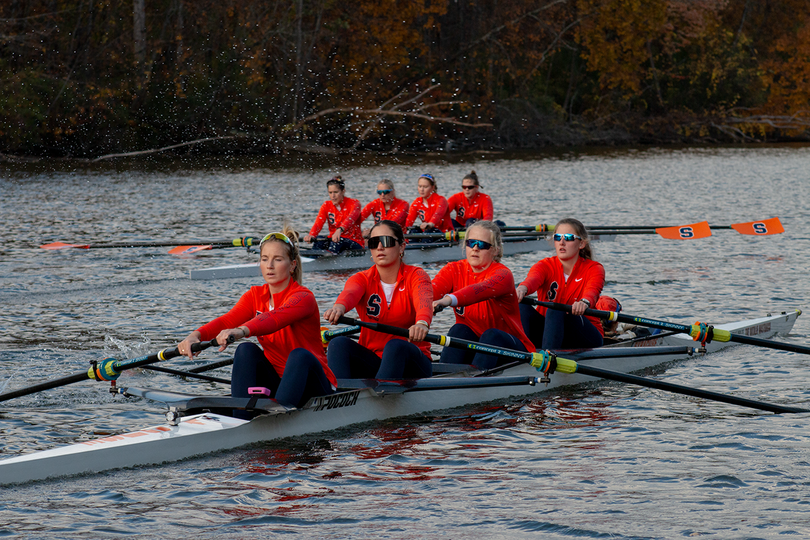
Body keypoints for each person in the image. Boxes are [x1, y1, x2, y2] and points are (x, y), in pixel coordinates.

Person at [177, 226, 336, 417]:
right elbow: (226, 320)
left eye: (277, 260)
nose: (270, 266)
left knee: (299, 356)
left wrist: (241, 331)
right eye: (265, 259)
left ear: (292, 265)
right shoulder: (255, 295)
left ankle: (276, 420)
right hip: (278, 384)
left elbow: (275, 318)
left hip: (315, 385)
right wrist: (195, 336)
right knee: (245, 350)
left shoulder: (303, 297)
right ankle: (241, 417)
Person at [323, 220, 434, 380]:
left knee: (395, 345)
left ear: (402, 247)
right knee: (338, 343)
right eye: (374, 243)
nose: (380, 247)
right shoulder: (361, 278)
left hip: (412, 363)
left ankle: (380, 397)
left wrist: (422, 323)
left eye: (387, 242)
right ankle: (340, 398)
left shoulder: (416, 276)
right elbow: (350, 293)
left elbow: (423, 303)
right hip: (374, 361)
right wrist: (338, 308)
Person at [431, 220, 535, 370]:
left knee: (491, 335)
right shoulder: (453, 269)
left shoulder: (502, 275)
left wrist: (447, 300)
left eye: (482, 245)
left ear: (496, 250)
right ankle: (444, 376)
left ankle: (474, 383)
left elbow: (478, 290)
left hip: (509, 347)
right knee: (458, 330)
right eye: (471, 242)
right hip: (475, 341)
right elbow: (429, 292)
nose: (475, 248)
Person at [515, 218, 605, 350]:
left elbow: (593, 290)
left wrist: (584, 302)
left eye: (568, 238)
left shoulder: (594, 268)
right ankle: (524, 354)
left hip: (585, 334)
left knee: (556, 309)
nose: (562, 242)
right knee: (521, 304)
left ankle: (547, 358)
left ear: (581, 244)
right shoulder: (545, 265)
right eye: (557, 237)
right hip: (549, 330)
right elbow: (532, 280)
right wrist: (522, 289)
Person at [303, 175, 364, 254]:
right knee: (319, 240)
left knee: (338, 241)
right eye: (330, 192)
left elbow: (351, 219)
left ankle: (329, 262)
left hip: (354, 242)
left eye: (336, 192)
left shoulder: (355, 203)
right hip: (334, 240)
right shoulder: (326, 205)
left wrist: (340, 230)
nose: (333, 196)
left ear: (343, 191)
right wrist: (311, 235)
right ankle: (312, 259)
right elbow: (318, 223)